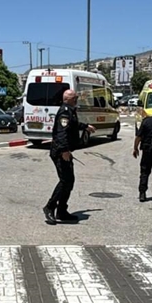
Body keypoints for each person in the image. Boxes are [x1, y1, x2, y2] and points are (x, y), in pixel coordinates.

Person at [43, 89, 95, 224]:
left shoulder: (70, 111)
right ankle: (50, 207)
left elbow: (73, 124)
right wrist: (64, 150)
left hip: (64, 150)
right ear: (67, 99)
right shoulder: (65, 112)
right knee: (65, 180)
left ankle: (62, 211)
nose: (76, 100)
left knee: (69, 181)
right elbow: (62, 132)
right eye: (74, 98)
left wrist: (86, 126)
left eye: (76, 97)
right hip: (60, 152)